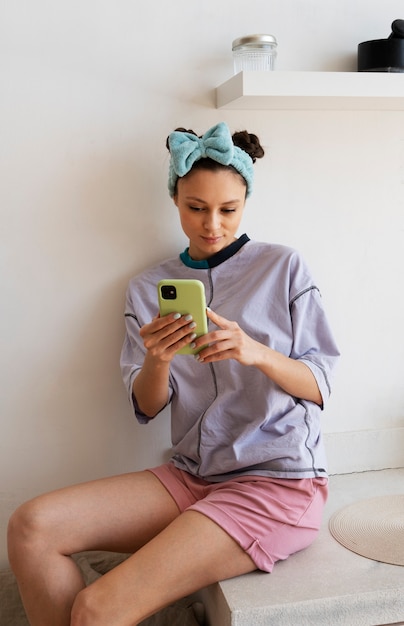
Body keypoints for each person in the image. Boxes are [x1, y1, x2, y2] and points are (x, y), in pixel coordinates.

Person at [7, 121, 340, 626]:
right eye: (196, 208)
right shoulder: (148, 287)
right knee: (30, 526)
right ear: (175, 200)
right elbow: (146, 406)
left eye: (228, 209)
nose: (213, 225)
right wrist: (159, 358)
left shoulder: (284, 267)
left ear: (246, 201)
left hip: (276, 484)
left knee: (97, 608)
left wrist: (255, 352)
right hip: (192, 475)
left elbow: (320, 384)